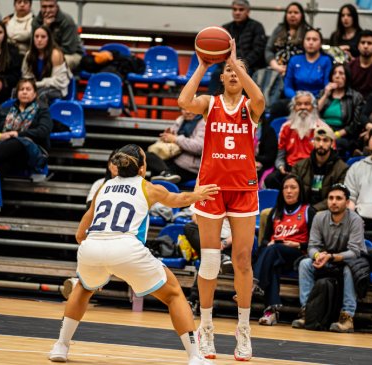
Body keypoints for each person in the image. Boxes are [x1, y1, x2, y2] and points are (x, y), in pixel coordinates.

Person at [48, 144, 218, 365]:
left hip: (92, 246)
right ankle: (195, 357)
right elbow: (179, 200)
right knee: (174, 294)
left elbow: (80, 233)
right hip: (126, 248)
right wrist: (199, 194)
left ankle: (60, 346)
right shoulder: (149, 187)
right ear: (141, 168)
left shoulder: (104, 186)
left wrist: (96, 261)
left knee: (83, 288)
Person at [177, 39, 265, 361]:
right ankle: (207, 327)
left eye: (237, 71)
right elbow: (183, 100)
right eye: (227, 70)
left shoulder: (250, 107)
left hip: (243, 189)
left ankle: (243, 329)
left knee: (242, 260)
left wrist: (236, 61)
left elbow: (259, 97)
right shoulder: (210, 104)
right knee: (211, 261)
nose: (232, 74)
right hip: (212, 190)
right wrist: (203, 63)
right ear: (221, 76)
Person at [292, 184, 365, 332]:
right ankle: (307, 312)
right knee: (305, 264)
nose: (334, 202)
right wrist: (318, 256)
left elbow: (354, 252)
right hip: (326, 258)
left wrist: (330, 257)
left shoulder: (355, 220)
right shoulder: (319, 217)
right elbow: (312, 246)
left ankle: (347, 317)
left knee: (350, 268)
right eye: (331, 198)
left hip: (347, 259)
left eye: (339, 198)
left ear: (347, 202)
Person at [255, 174, 312, 325]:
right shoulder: (274, 212)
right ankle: (271, 312)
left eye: (293, 187)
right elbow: (265, 240)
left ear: (300, 191)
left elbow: (316, 242)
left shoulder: (308, 211)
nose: (289, 191)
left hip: (297, 255)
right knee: (272, 261)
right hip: (276, 254)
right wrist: (269, 244)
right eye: (285, 188)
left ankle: (253, 285)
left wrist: (299, 245)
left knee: (273, 251)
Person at [0, 78, 51, 178]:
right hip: (8, 153)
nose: (24, 92)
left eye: (28, 89)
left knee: (16, 141)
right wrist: (0, 136)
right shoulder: (6, 110)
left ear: (35, 94)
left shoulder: (42, 110)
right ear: (17, 93)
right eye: (21, 89)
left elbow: (43, 131)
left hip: (31, 152)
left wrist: (18, 134)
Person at [264, 91, 326, 190]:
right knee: (270, 180)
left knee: (316, 187)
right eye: (299, 104)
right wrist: (280, 166)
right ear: (294, 108)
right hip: (290, 169)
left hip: (313, 170)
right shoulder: (286, 127)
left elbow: (328, 157)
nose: (302, 107)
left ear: (313, 107)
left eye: (306, 104)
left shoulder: (322, 128)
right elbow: (280, 155)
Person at [293, 126, 348, 213]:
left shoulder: (342, 169)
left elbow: (338, 197)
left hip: (327, 211)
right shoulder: (299, 166)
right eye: (318, 140)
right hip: (302, 209)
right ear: (313, 142)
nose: (321, 144)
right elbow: (292, 192)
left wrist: (313, 209)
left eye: (325, 140)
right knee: (266, 212)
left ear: (332, 143)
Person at [148, 108, 206, 184]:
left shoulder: (204, 122)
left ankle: (166, 174)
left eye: (191, 108)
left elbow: (200, 147)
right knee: (147, 157)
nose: (188, 111)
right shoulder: (181, 120)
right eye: (184, 109)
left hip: (189, 167)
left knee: (156, 173)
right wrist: (166, 137)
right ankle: (166, 173)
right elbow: (172, 138)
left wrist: (175, 139)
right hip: (175, 159)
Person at [317, 63, 364, 153]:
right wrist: (326, 95)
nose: (337, 76)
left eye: (341, 73)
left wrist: (336, 134)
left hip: (342, 134)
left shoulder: (355, 97)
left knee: (336, 143)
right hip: (322, 130)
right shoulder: (324, 93)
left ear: (347, 77)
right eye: (334, 73)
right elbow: (314, 113)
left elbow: (355, 124)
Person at [22, 25, 71, 105]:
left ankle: (39, 117)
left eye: (43, 37)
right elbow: (26, 76)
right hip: (36, 87)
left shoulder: (56, 54)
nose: (39, 40)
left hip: (56, 89)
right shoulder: (29, 55)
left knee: (41, 94)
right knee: (17, 92)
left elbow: (58, 81)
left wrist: (37, 84)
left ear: (49, 39)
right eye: (36, 36)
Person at [32, 0, 84, 70]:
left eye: (51, 6)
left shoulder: (67, 21)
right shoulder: (36, 21)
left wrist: (50, 53)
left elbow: (69, 49)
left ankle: (53, 81)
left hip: (71, 54)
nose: (47, 10)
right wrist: (45, 26)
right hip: (44, 53)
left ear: (56, 6)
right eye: (44, 7)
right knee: (28, 58)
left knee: (55, 60)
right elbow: (33, 45)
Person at [265, 2, 309, 77]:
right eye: (289, 12)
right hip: (276, 69)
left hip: (300, 71)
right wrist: (275, 66)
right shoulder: (279, 29)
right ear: (286, 15)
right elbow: (268, 50)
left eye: (296, 12)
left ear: (302, 15)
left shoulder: (307, 31)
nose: (292, 15)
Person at [348, 30, 372, 98]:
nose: (365, 46)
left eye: (369, 43)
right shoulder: (350, 66)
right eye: (362, 43)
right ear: (358, 46)